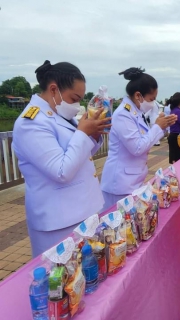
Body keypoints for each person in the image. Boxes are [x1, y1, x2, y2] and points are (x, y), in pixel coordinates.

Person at [12, 60, 111, 257]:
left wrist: (93, 134)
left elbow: (78, 158)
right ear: (54, 89)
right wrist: (83, 134)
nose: (77, 105)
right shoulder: (31, 123)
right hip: (58, 221)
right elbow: (61, 171)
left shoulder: (59, 116)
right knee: (60, 280)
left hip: (83, 211)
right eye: (74, 98)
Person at [100, 67, 177, 211]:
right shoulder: (123, 114)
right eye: (151, 99)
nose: (153, 103)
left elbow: (146, 139)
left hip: (132, 180)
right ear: (138, 95)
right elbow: (137, 147)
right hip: (120, 184)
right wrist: (157, 127)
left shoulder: (136, 112)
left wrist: (162, 125)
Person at [167, 92, 180, 164]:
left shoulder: (174, 110)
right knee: (178, 160)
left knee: (174, 159)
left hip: (173, 137)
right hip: (176, 137)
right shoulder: (178, 111)